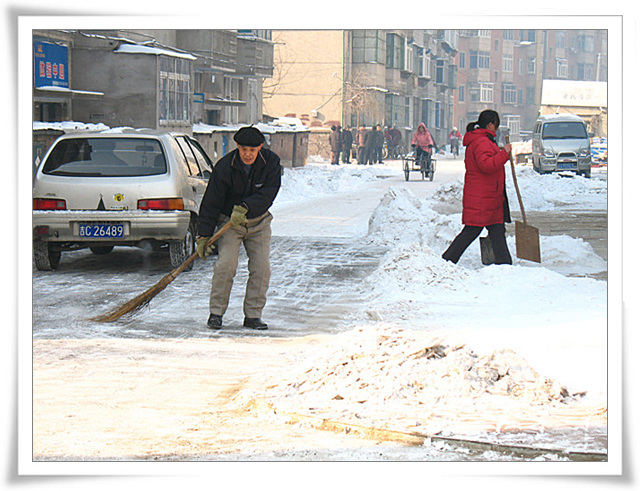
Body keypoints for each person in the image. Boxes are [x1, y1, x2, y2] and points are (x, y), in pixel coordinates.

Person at [196, 126, 282, 330]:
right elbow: (211, 202)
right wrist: (203, 235)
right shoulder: (225, 166)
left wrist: (246, 207)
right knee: (225, 265)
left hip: (258, 222)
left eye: (252, 150)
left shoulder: (271, 163)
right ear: (237, 147)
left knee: (261, 268)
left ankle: (253, 315)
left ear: (260, 147)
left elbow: (269, 192)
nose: (248, 154)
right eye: (244, 149)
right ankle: (216, 313)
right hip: (230, 224)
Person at [441, 110, 513, 265]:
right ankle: (447, 260)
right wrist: (504, 154)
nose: (497, 128)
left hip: (489, 196)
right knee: (472, 230)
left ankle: (505, 264)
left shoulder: (483, 140)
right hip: (482, 197)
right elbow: (486, 165)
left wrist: (500, 153)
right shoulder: (482, 142)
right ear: (490, 124)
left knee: (497, 230)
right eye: (496, 125)